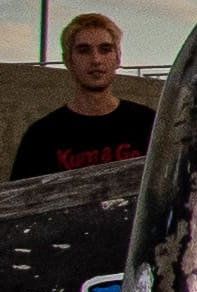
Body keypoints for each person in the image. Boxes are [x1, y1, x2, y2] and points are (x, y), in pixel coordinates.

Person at [11, 14, 152, 182]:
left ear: (118, 57)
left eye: (105, 49)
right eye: (84, 51)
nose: (96, 60)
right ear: (68, 60)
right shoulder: (41, 137)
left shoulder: (148, 124)